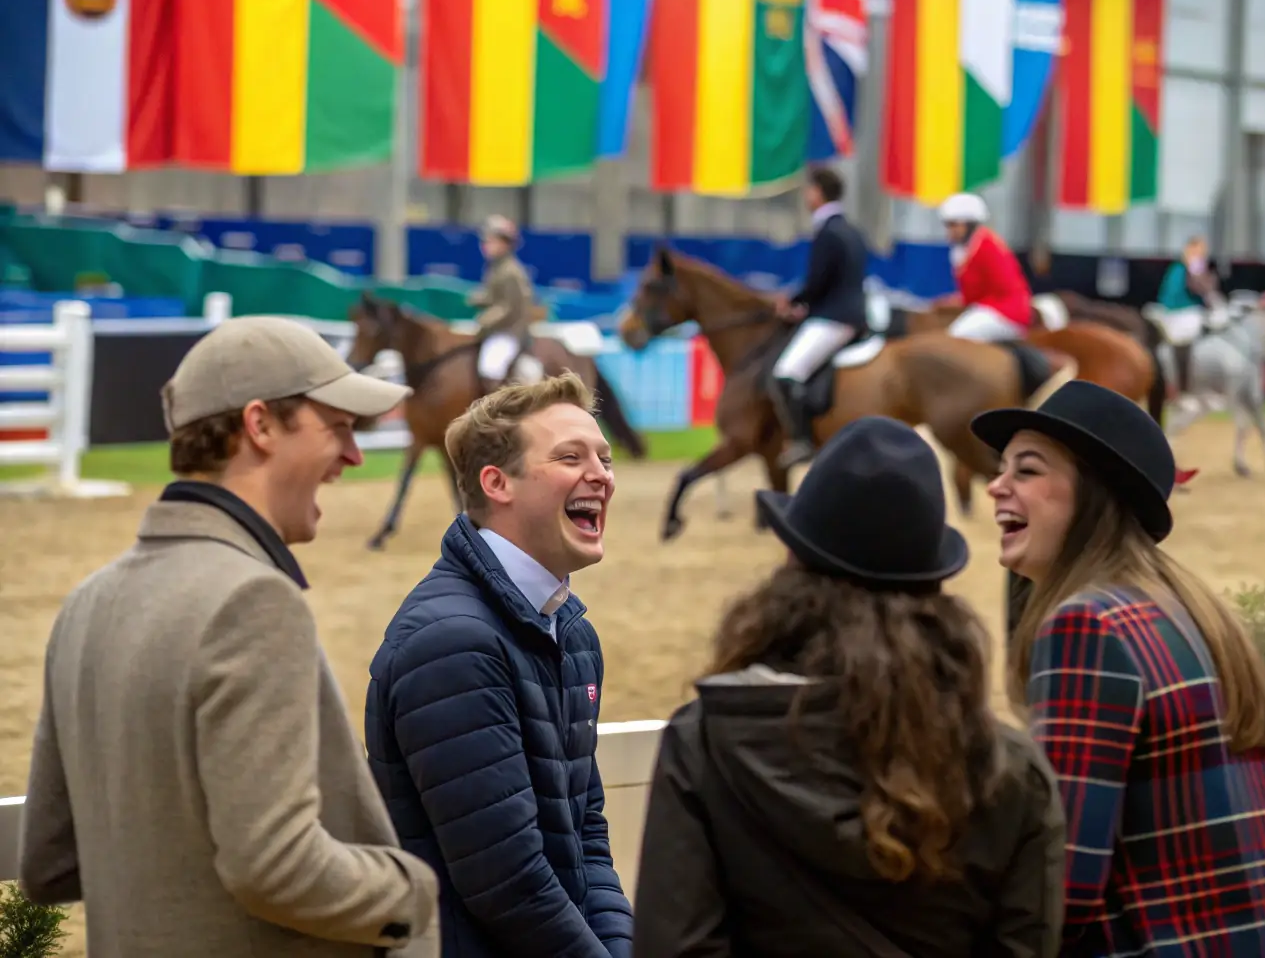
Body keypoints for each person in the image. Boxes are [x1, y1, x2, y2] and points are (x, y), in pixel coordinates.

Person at [19, 316, 441, 956]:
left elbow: (50, 862)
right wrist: (410, 891)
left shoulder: (87, 602)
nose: (353, 456)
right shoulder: (253, 600)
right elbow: (273, 866)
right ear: (260, 425)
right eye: (338, 428)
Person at [632, 415, 1067, 958]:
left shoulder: (705, 743)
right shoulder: (1010, 769)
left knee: (790, 375)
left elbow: (675, 946)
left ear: (792, 566)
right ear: (935, 594)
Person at [971, 380, 1265, 956]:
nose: (996, 486)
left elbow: (1062, 884)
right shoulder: (1192, 610)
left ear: (1093, 492)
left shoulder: (1086, 626)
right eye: (1002, 468)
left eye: (1027, 470)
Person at [365, 372, 632, 958]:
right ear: (496, 482)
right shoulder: (452, 643)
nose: (601, 475)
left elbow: (587, 836)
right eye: (570, 456)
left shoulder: (574, 632)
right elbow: (506, 880)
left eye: (604, 458)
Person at [769, 165, 869, 469]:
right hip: (847, 312)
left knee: (786, 373)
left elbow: (818, 282)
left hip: (833, 318)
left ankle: (801, 441)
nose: (806, 196)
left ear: (818, 192)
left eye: (808, 190)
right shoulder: (851, 229)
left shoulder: (827, 231)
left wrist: (794, 301)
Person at [937, 192, 1034, 342]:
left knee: (957, 337)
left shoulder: (988, 246)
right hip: (988, 309)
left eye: (953, 225)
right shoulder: (966, 249)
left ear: (968, 225)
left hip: (1006, 312)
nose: (949, 231)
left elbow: (1004, 287)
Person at [471, 214, 544, 390]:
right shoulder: (495, 267)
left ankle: (496, 408)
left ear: (504, 243)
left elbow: (509, 307)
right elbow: (493, 296)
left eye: (490, 240)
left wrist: (484, 319)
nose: (485, 245)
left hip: (509, 331)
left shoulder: (511, 271)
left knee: (490, 366)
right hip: (494, 330)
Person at [1154, 235, 1217, 410]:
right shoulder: (1184, 268)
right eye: (1199, 250)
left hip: (1185, 313)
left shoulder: (1185, 267)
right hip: (1179, 314)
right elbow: (1199, 288)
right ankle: (1184, 393)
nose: (1201, 254)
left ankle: (1199, 390)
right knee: (1185, 346)